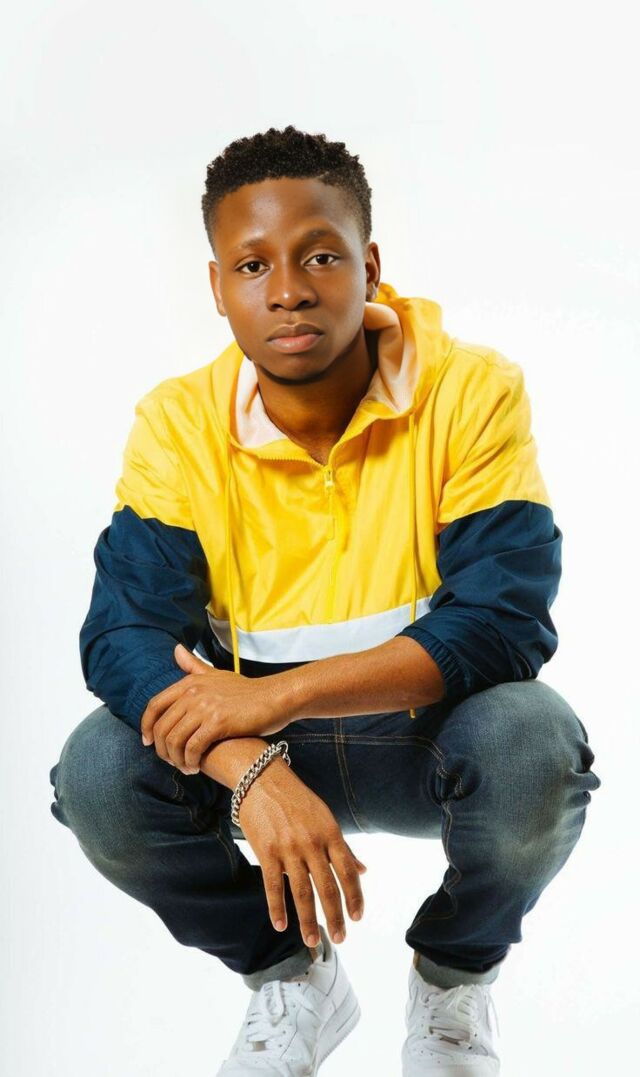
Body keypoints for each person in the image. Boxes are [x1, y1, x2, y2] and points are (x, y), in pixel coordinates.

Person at [48, 124, 601, 1075]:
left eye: (320, 256)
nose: (289, 290)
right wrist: (251, 767)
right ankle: (292, 979)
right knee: (97, 770)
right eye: (252, 264)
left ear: (369, 266)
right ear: (217, 286)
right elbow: (121, 635)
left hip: (427, 734)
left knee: (534, 743)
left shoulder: (470, 390)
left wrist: (274, 697)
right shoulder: (177, 425)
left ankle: (452, 984)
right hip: (258, 746)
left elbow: (504, 623)